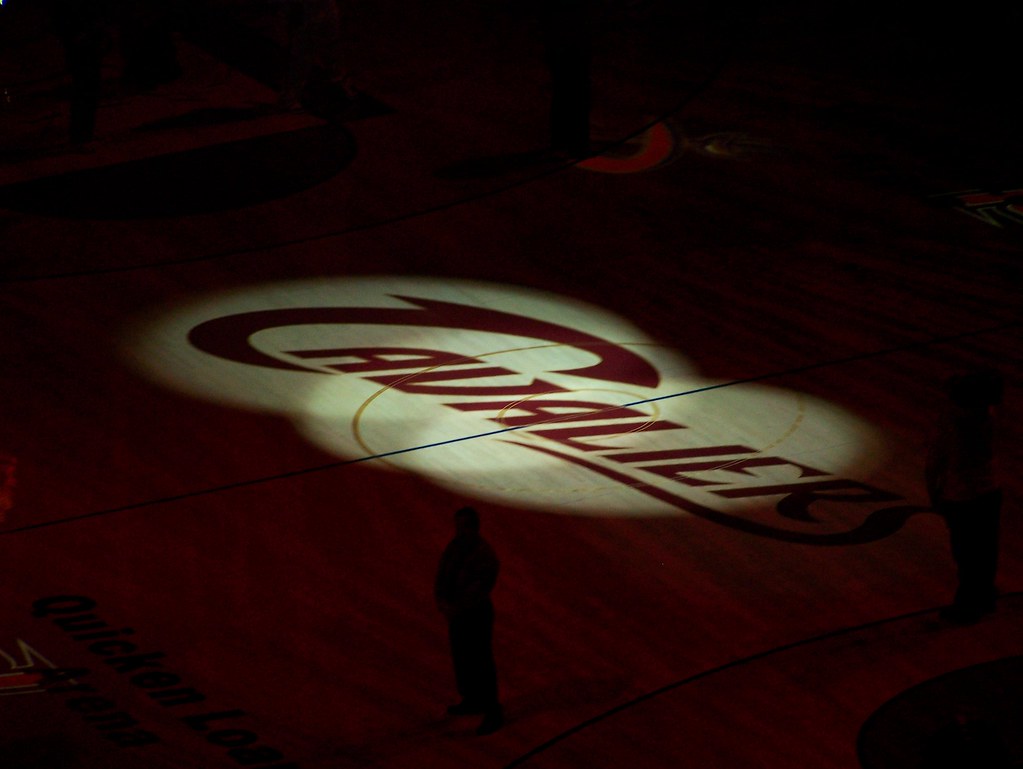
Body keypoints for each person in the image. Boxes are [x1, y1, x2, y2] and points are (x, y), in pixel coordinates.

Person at [925, 368, 1004, 624]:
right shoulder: (987, 415)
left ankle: (968, 604)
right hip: (990, 490)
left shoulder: (951, 421)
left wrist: (934, 494)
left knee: (966, 553)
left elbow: (935, 462)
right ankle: (985, 594)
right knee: (986, 548)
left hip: (961, 496)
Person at [434, 506, 503, 735]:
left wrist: (455, 606)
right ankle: (472, 699)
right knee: (463, 658)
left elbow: (479, 587)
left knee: (481, 661)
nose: (459, 530)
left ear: (473, 527)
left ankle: (492, 710)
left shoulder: (482, 554)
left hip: (475, 614)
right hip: (460, 612)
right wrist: (442, 599)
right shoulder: (456, 547)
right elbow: (443, 573)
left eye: (463, 525)